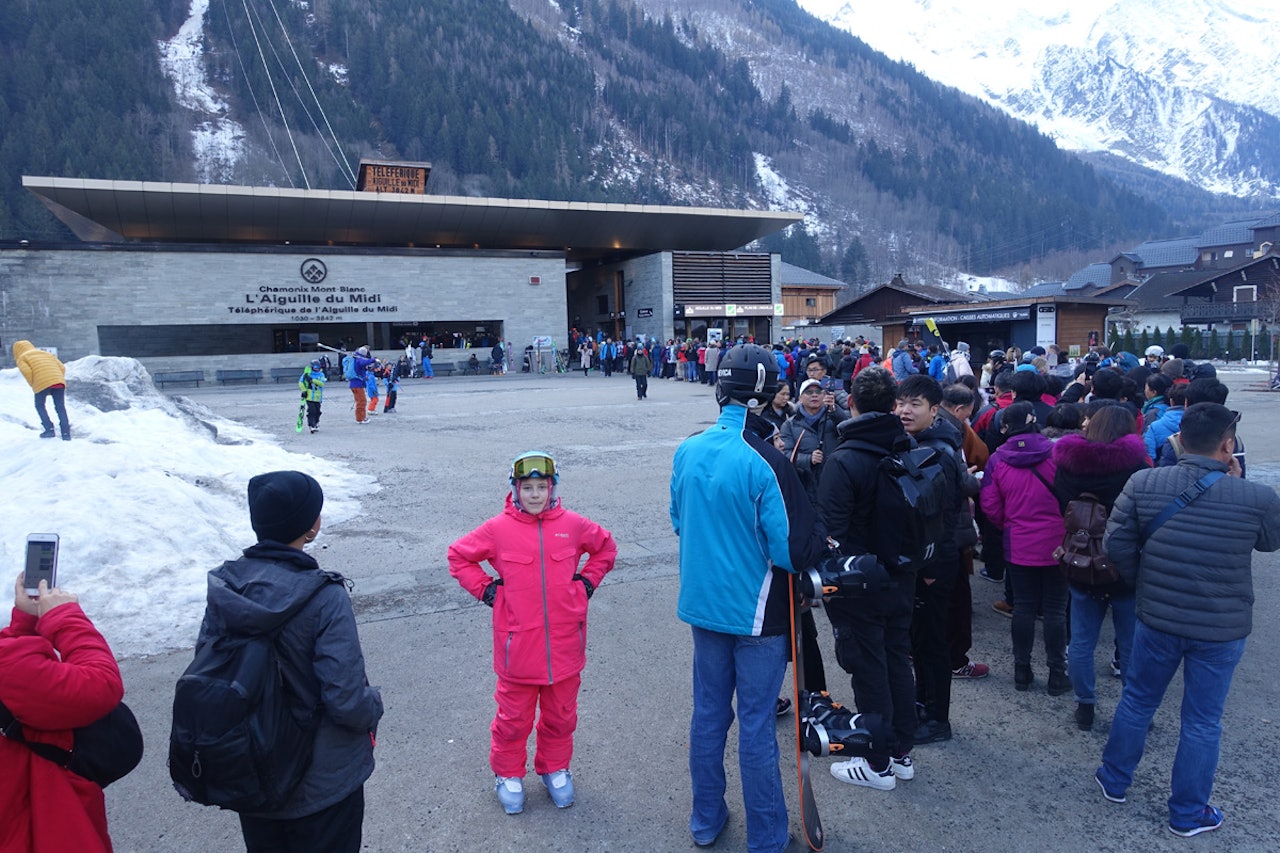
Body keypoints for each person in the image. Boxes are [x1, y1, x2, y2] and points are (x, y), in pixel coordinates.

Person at [1095, 404, 1280, 837]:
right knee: (1202, 720)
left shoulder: (1144, 482)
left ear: (1179, 441)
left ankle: (1114, 779)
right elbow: (1270, 542)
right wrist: (1237, 485)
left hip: (1157, 615)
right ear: (1227, 445)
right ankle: (1187, 812)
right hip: (1221, 626)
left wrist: (1145, 581)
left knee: (1138, 700)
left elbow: (1115, 544)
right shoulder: (1256, 497)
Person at [670, 344, 826, 850]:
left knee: (709, 714)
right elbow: (790, 551)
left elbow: (679, 520)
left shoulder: (688, 448)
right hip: (757, 614)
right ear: (766, 393)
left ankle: (705, 819)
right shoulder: (768, 460)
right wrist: (819, 538)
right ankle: (766, 837)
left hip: (704, 606)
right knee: (756, 725)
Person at [198, 471, 383, 852]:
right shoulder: (324, 596)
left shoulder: (226, 587)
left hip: (253, 770)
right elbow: (346, 699)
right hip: (322, 782)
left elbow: (209, 667)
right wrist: (374, 705)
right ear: (311, 527)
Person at [449, 452, 616, 815]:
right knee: (513, 720)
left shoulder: (573, 525)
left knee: (561, 716)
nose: (535, 495)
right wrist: (488, 591)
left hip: (565, 650)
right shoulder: (498, 529)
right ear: (516, 490)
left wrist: (586, 583)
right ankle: (507, 773)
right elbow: (459, 556)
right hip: (518, 652)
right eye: (527, 488)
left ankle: (555, 768)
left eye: (542, 487)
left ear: (552, 488)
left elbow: (605, 548)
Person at [817, 366, 918, 791]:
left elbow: (830, 530)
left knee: (868, 666)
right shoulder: (908, 446)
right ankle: (901, 752)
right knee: (897, 659)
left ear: (852, 403)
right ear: (893, 404)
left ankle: (876, 763)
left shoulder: (845, 459)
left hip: (859, 581)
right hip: (903, 572)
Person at [1, 573, 123, 852]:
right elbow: (101, 685)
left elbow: (17, 677)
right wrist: (65, 618)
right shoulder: (8, 670)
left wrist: (25, 624)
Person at [1051, 403, 1149, 731]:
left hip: (1081, 560)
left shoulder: (1067, 465)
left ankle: (1085, 705)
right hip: (1125, 564)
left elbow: (1062, 506)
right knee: (1131, 643)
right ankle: (1135, 709)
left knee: (1081, 641)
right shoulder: (1137, 467)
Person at [895, 376, 982, 744]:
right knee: (920, 641)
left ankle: (937, 719)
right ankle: (922, 703)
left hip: (935, 563)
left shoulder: (939, 451)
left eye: (914, 404)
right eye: (901, 403)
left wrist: (932, 569)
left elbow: (942, 519)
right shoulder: (922, 441)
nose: (904, 410)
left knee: (933, 644)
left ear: (934, 410)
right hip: (923, 560)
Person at [979, 401, 1069, 694]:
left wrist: (1010, 524)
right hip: (1057, 543)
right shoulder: (1058, 453)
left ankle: (1022, 671)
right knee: (1055, 610)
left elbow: (990, 505)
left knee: (1024, 607)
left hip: (1018, 542)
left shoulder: (997, 460)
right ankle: (1057, 673)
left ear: (1005, 427)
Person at [781, 378, 849, 508]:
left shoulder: (834, 417)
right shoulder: (790, 425)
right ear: (800, 398)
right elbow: (785, 454)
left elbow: (847, 429)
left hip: (834, 482)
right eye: (809, 392)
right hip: (805, 485)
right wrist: (808, 459)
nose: (814, 395)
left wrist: (834, 411)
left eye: (818, 391)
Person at [12, 340, 71, 440]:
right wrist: (57, 378)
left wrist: (34, 384)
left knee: (39, 405)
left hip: (41, 382)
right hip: (59, 382)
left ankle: (49, 429)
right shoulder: (46, 353)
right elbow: (62, 367)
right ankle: (66, 434)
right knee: (60, 407)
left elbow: (27, 372)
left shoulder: (22, 357)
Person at [344, 346, 375, 423]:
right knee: (361, 401)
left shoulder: (356, 358)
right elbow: (363, 363)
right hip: (357, 384)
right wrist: (373, 360)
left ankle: (362, 417)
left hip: (355, 384)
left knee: (360, 401)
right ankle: (360, 419)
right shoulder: (359, 359)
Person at [299, 359, 326, 433]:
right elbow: (301, 382)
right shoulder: (307, 374)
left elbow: (321, 383)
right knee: (311, 411)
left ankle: (316, 422)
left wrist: (312, 380)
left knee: (318, 411)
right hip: (309, 396)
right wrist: (304, 390)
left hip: (318, 397)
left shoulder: (321, 374)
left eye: (318, 367)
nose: (316, 368)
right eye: (315, 367)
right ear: (312, 367)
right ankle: (311, 425)